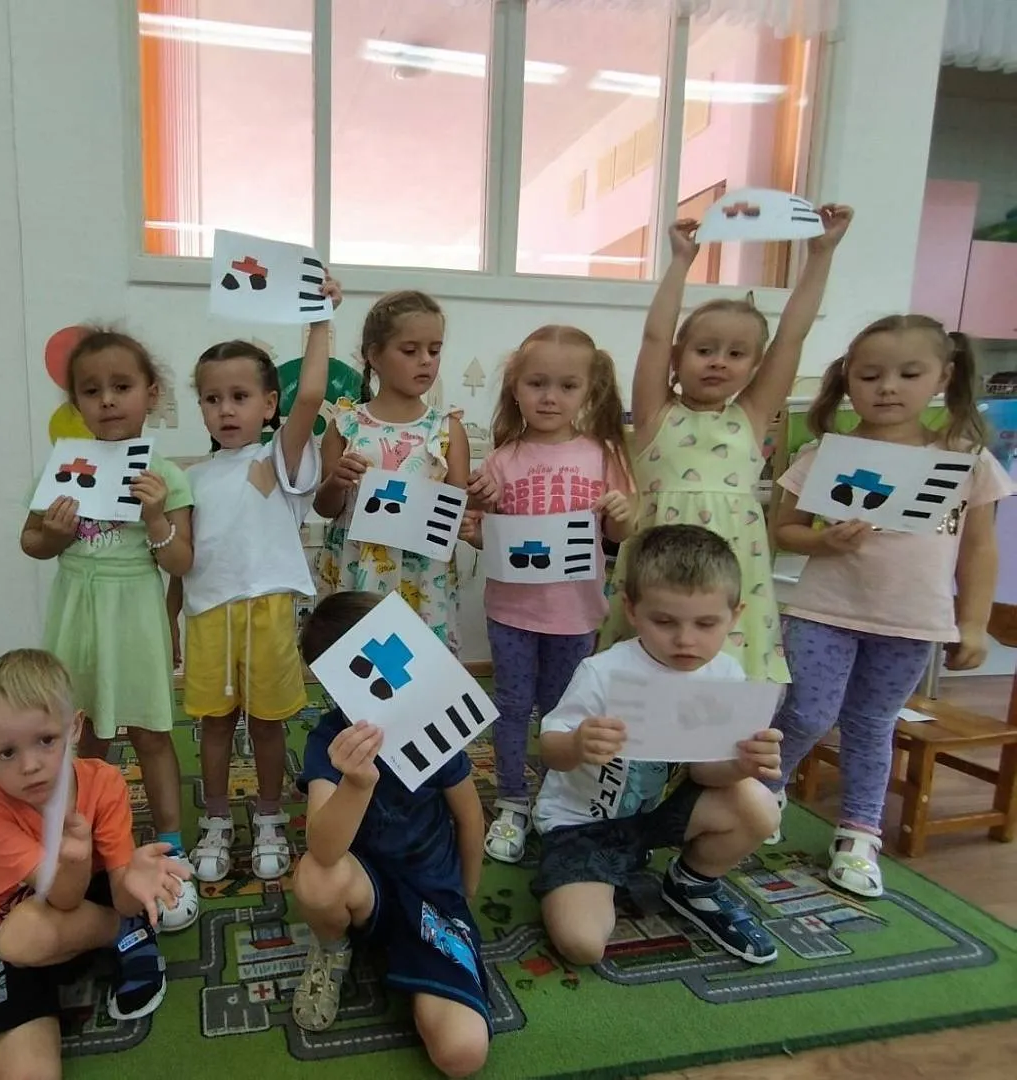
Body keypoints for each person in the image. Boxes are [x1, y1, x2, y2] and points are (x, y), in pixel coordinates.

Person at [766, 316, 1016, 896]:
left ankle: (859, 833)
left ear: (943, 377)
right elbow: (785, 530)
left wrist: (973, 623)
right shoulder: (826, 453)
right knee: (806, 712)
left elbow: (980, 549)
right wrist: (823, 540)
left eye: (909, 374)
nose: (887, 388)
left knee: (871, 724)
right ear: (847, 380)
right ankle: (765, 788)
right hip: (824, 611)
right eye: (870, 375)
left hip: (911, 621)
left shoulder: (967, 459)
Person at [603, 207, 854, 680]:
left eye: (736, 354)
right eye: (704, 350)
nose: (719, 362)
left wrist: (821, 254)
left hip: (734, 565)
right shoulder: (656, 415)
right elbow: (655, 337)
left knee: (728, 675)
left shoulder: (751, 415)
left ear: (756, 366)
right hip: (657, 563)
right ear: (677, 359)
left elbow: (792, 337)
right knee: (645, 673)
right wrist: (681, 261)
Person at [537, 526, 784, 967]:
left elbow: (706, 772)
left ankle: (692, 882)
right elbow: (549, 751)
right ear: (632, 610)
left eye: (706, 623)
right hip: (582, 826)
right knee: (582, 944)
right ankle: (596, 876)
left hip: (658, 813)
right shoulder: (602, 672)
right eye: (665, 621)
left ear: (735, 615)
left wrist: (742, 765)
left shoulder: (725, 674)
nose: (686, 640)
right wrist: (577, 743)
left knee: (759, 803)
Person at [20, 329, 199, 932]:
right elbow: (31, 543)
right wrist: (55, 532)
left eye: (122, 386)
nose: (107, 400)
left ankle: (171, 842)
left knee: (151, 730)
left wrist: (155, 515)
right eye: (91, 390)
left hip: (135, 612)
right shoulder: (63, 466)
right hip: (77, 609)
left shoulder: (165, 475)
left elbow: (181, 562)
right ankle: (82, 837)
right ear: (76, 401)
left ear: (151, 393)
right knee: (80, 733)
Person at [168, 279, 342, 884]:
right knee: (214, 726)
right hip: (208, 617)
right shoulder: (191, 478)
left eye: (240, 397)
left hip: (266, 612)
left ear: (269, 405)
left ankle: (269, 816)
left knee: (268, 725)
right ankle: (217, 819)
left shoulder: (278, 460)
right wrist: (169, 618)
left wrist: (319, 319)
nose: (226, 410)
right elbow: (183, 556)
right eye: (212, 399)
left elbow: (311, 393)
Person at [0, 649, 191, 1080]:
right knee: (15, 943)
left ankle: (123, 931)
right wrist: (77, 857)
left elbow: (114, 893)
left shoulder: (104, 781)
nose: (30, 766)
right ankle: (118, 932)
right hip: (12, 918)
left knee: (21, 937)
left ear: (75, 727)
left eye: (46, 740)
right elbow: (59, 898)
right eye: (6, 753)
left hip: (81, 905)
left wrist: (132, 881)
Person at [289, 592, 490, 1079]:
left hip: (432, 896)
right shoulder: (329, 740)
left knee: (462, 1053)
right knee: (315, 876)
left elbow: (470, 817)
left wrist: (464, 894)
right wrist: (356, 783)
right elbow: (323, 849)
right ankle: (333, 949)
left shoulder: (435, 725)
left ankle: (421, 972)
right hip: (366, 892)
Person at [460, 325, 637, 864]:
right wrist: (475, 525)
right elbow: (484, 534)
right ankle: (512, 800)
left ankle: (559, 800)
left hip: (576, 614)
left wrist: (622, 514)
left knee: (564, 713)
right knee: (512, 707)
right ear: (515, 387)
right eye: (536, 383)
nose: (550, 397)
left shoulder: (604, 455)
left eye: (567, 386)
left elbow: (619, 534)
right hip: (511, 611)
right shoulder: (501, 460)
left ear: (589, 391)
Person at [314, 291, 471, 651]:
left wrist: (478, 503)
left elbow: (458, 512)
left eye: (434, 350)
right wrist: (336, 481)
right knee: (356, 661)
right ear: (374, 356)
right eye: (410, 350)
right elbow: (325, 508)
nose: (426, 361)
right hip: (358, 570)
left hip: (423, 577)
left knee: (419, 667)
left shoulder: (446, 429)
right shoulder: (345, 425)